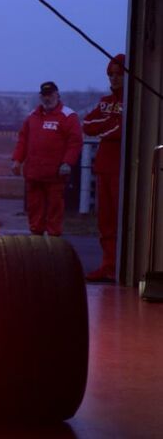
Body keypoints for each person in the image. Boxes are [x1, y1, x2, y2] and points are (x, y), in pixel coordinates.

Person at [11, 81, 83, 236]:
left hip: (55, 174)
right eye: (44, 95)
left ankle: (54, 237)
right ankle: (36, 236)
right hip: (34, 174)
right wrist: (17, 160)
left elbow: (75, 141)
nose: (47, 99)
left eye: (50, 95)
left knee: (55, 207)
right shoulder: (32, 116)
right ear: (40, 97)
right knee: (34, 207)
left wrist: (67, 162)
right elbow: (23, 139)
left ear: (57, 95)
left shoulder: (68, 116)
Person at [83, 54, 125, 282]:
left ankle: (122, 265)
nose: (115, 79)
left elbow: (121, 129)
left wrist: (105, 128)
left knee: (122, 219)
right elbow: (87, 125)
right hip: (104, 167)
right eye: (111, 74)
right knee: (105, 221)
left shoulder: (135, 100)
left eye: (119, 74)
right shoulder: (104, 101)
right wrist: (108, 126)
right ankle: (108, 265)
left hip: (123, 168)